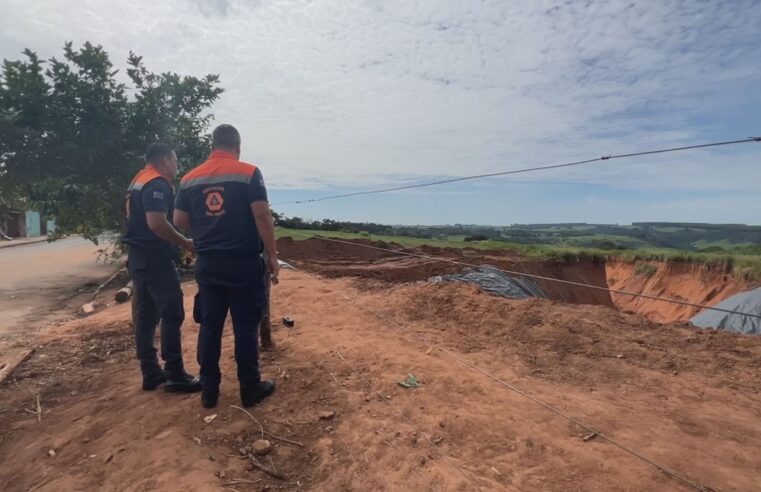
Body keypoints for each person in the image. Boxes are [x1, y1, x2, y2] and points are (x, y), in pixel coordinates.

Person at [174, 124, 279, 409]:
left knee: (210, 326)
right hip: (244, 263)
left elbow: (180, 222)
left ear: (212, 146)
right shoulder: (248, 173)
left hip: (208, 265)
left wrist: (208, 222)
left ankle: (209, 391)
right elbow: (262, 216)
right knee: (246, 326)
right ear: (238, 147)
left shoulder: (189, 179)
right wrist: (272, 256)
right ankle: (250, 388)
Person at [122, 142, 201, 393]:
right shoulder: (156, 183)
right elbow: (157, 223)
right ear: (165, 159)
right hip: (155, 260)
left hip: (137, 259)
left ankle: (150, 373)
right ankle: (175, 374)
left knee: (145, 318)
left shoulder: (138, 180)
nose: (177, 166)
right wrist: (185, 242)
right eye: (175, 161)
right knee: (172, 312)